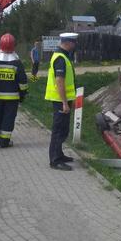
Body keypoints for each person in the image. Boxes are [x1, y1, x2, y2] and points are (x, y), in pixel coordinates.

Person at [0, 33, 28, 148]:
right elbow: (23, 82)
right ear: (13, 46)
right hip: (12, 97)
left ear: (0, 45)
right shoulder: (17, 63)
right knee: (8, 118)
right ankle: (5, 142)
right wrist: (23, 94)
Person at [45, 33, 78, 171]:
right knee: (58, 130)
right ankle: (55, 160)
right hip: (60, 100)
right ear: (68, 43)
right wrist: (64, 102)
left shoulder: (63, 56)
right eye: (74, 43)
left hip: (63, 99)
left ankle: (59, 154)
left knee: (63, 129)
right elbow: (60, 81)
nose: (75, 45)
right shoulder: (60, 58)